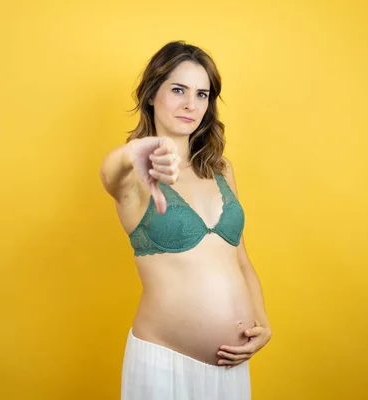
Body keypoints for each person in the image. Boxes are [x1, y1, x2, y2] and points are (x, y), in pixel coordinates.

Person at [99, 40, 272, 400]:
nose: (190, 105)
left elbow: (239, 258)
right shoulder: (134, 175)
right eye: (178, 90)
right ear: (151, 94)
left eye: (202, 94)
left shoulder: (221, 169)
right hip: (163, 366)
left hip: (232, 368)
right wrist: (134, 151)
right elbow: (109, 175)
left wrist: (262, 320)